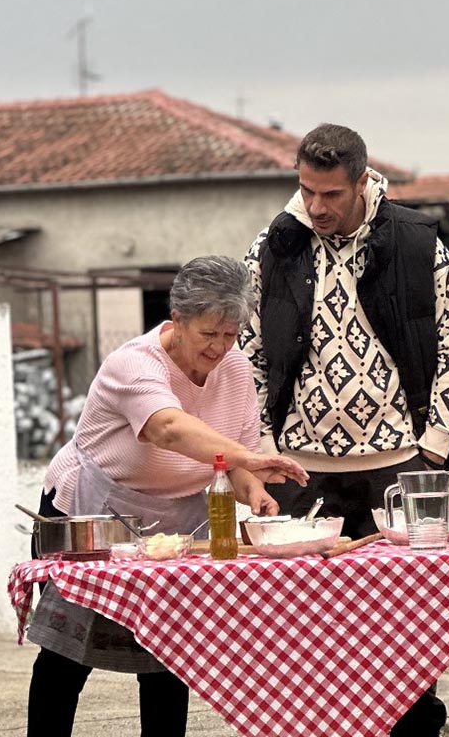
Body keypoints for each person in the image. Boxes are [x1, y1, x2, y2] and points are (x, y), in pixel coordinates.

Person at [240, 123, 449, 737]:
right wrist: (263, 447)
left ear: (361, 182)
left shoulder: (417, 243)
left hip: (400, 465)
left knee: (407, 632)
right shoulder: (271, 248)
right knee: (302, 631)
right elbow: (249, 355)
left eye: (330, 193)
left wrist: (433, 449)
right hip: (300, 470)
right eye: (306, 191)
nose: (316, 206)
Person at [26, 255, 307, 737]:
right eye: (208, 333)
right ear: (177, 320)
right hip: (95, 515)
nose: (220, 347)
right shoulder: (133, 363)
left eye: (230, 334)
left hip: (178, 525)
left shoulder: (235, 369)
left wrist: (255, 491)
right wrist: (251, 457)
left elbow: (234, 465)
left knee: (169, 655)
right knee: (66, 653)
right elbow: (169, 429)